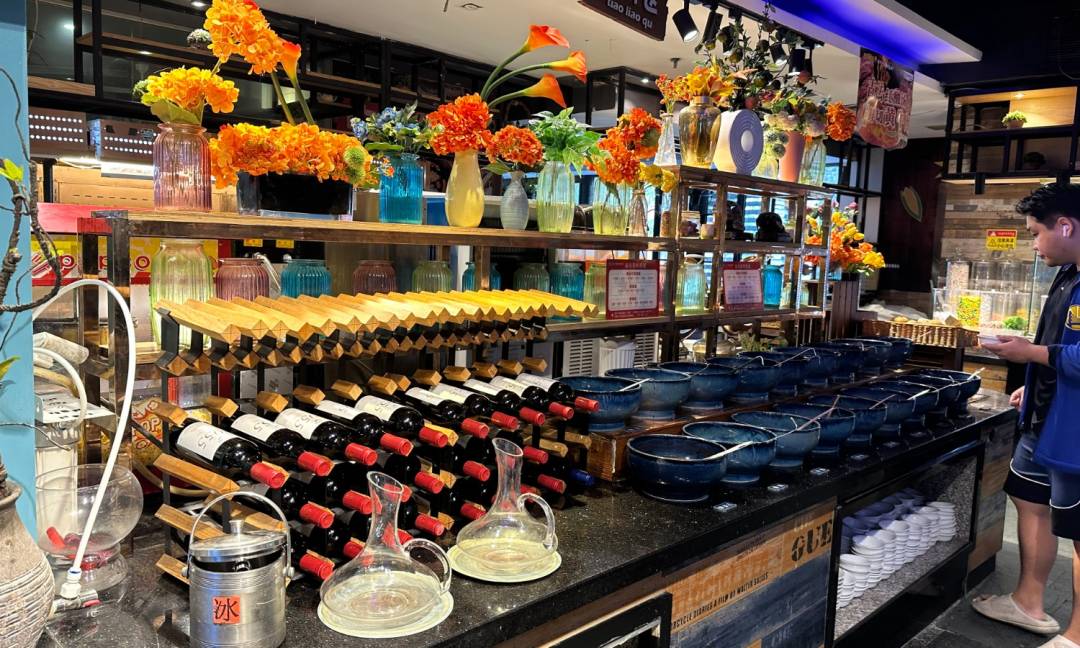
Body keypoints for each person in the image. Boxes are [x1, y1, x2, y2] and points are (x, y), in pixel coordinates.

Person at [974, 183, 1080, 648]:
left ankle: (1076, 637)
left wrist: (1030, 353)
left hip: (1074, 431)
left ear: (1066, 226)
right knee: (1029, 497)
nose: (1034, 244)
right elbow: (1061, 344)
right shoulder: (1068, 273)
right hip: (1045, 415)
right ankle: (1027, 602)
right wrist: (1033, 383)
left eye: (1036, 232)